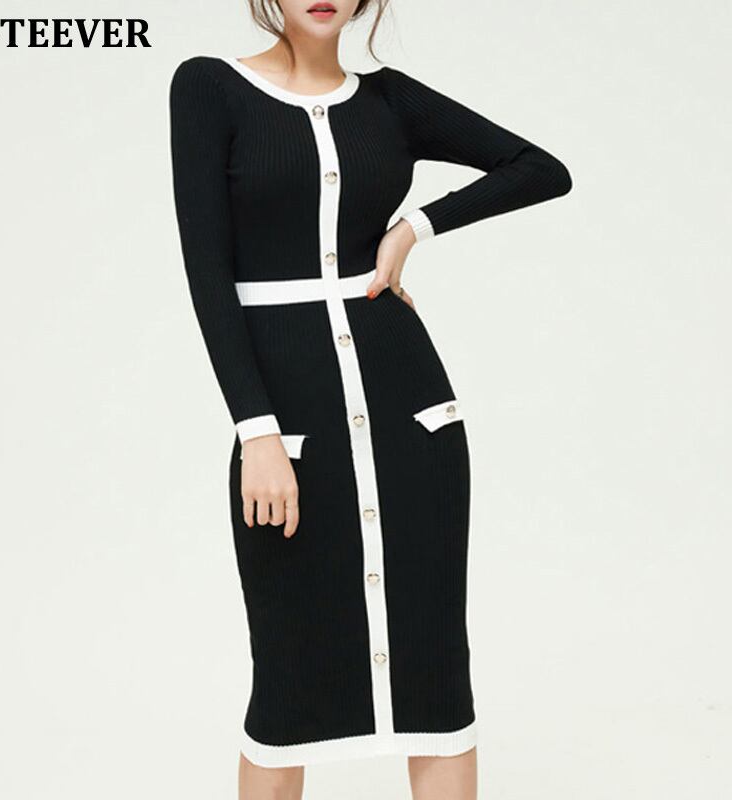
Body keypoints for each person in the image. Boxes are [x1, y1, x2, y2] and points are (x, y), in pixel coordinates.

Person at [169, 1, 572, 797]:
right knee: (287, 677)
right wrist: (258, 432)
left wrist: (414, 226)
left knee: (434, 671)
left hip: (409, 412)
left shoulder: (389, 100)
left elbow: (539, 168)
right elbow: (207, 273)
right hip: (289, 419)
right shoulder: (210, 89)